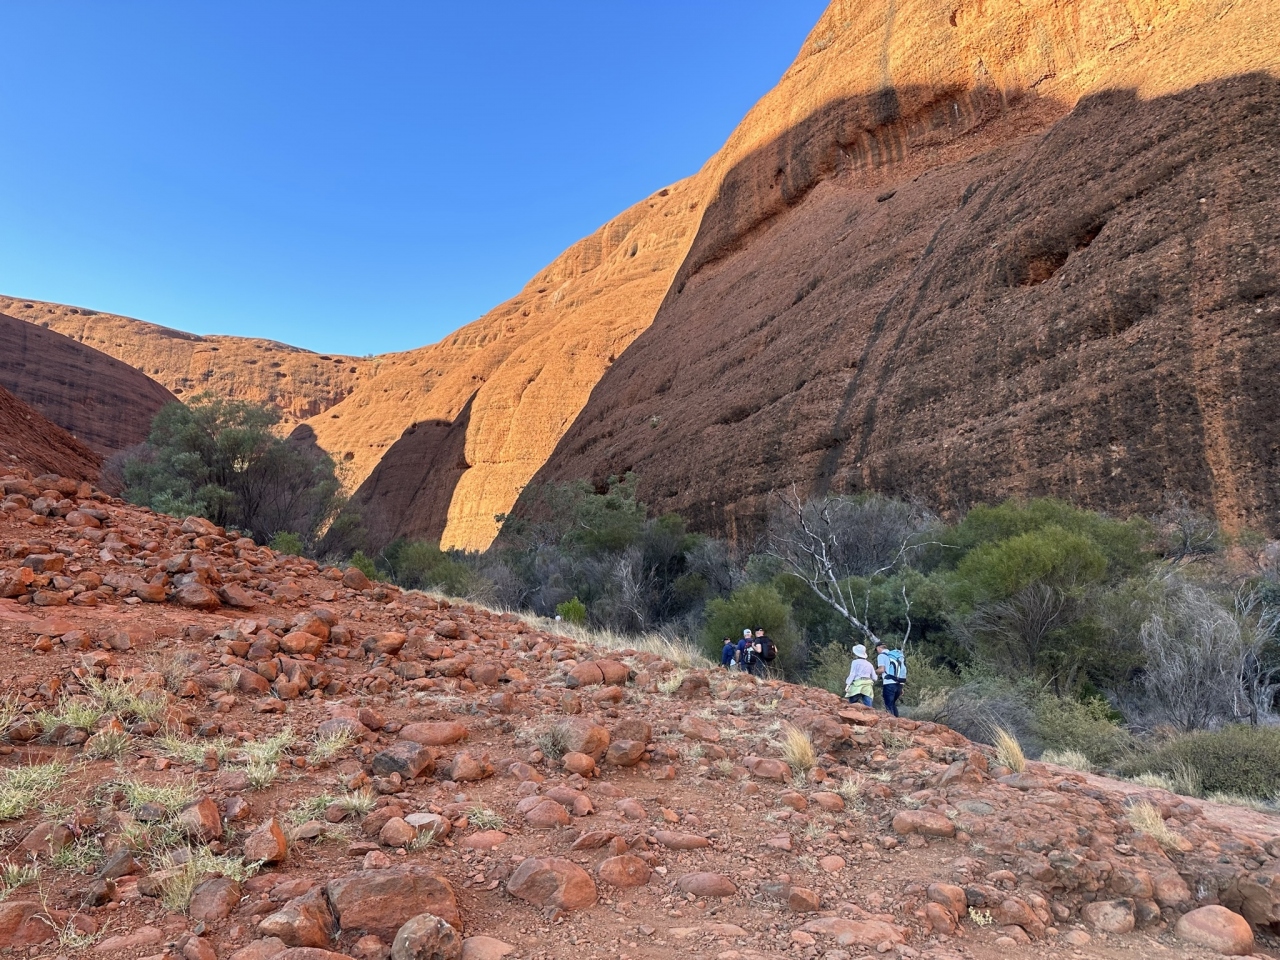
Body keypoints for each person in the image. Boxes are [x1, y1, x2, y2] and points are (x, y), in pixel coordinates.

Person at [875, 640, 906, 717]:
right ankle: (897, 721)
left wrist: (873, 671)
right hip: (899, 684)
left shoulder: (881, 656)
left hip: (889, 683)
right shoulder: (894, 655)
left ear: (878, 648)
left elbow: (882, 669)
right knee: (892, 704)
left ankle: (891, 722)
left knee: (888, 705)